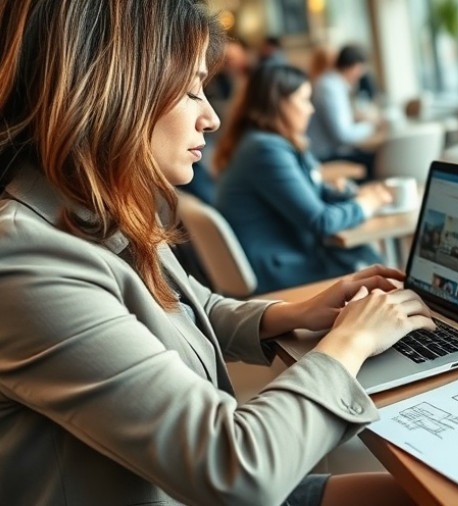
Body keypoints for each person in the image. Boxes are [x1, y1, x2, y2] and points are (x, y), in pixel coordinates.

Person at [0, 1, 433, 505]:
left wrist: (296, 313)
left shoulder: (96, 210)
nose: (211, 117)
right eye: (191, 90)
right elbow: (237, 470)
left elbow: (189, 307)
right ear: (110, 90)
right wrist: (351, 341)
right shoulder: (26, 261)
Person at [214, 63, 393, 293]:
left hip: (284, 257)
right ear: (280, 103)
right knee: (373, 267)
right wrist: (365, 204)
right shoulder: (265, 149)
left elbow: (312, 191)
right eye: (304, 100)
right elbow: (320, 221)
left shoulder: (264, 141)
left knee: (367, 256)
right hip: (280, 270)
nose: (311, 109)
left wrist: (352, 194)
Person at [307, 44, 382, 180]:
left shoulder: (332, 84)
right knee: (379, 161)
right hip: (325, 156)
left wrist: (357, 118)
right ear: (355, 67)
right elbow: (343, 135)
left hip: (331, 151)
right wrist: (372, 126)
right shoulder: (330, 88)